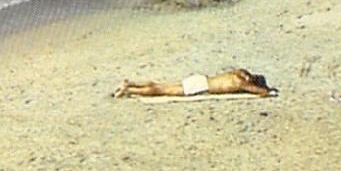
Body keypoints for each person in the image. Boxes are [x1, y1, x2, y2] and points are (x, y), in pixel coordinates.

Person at [114, 68, 273, 98]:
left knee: (161, 85)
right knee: (160, 90)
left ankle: (130, 83)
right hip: (201, 87)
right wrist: (267, 91)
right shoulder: (241, 84)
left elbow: (240, 69)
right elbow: (261, 93)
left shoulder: (236, 74)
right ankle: (130, 90)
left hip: (200, 79)